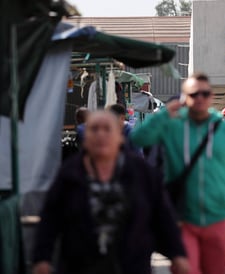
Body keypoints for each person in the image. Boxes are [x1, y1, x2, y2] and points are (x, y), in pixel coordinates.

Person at [32, 111, 189, 274]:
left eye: (107, 129)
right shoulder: (69, 174)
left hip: (131, 265)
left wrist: (177, 254)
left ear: (120, 137)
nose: (101, 134)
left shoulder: (142, 173)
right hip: (80, 265)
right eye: (94, 129)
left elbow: (163, 216)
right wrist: (42, 258)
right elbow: (50, 219)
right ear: (85, 138)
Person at [130, 72, 225, 274]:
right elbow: (139, 139)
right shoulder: (173, 125)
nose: (200, 98)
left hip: (218, 217)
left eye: (205, 93)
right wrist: (163, 113)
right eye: (194, 94)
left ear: (211, 96)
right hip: (181, 218)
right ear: (185, 97)